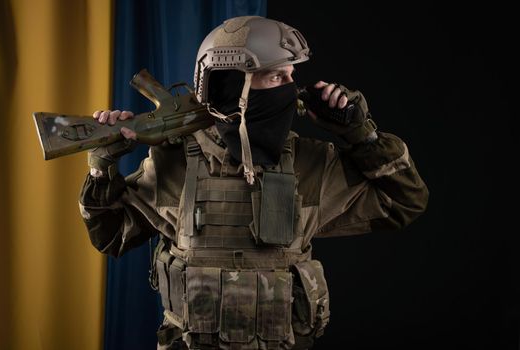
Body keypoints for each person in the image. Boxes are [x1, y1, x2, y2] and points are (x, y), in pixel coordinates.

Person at [79, 16, 429, 350]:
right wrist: (101, 166)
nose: (292, 91)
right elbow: (111, 235)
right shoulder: (173, 162)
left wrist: (361, 135)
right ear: (230, 85)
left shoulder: (312, 165)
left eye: (292, 75)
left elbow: (404, 202)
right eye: (275, 77)